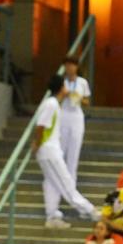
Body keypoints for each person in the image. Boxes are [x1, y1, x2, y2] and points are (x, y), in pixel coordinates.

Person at [33, 75, 99, 230]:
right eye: (65, 85)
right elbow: (41, 126)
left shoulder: (54, 104)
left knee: (51, 183)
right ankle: (91, 211)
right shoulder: (51, 104)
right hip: (49, 150)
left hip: (48, 150)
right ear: (62, 88)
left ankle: (52, 216)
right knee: (66, 183)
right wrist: (37, 144)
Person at [59, 56, 91, 186]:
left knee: (74, 152)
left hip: (76, 117)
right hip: (63, 115)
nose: (69, 68)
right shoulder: (61, 81)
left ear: (77, 67)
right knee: (61, 150)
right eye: (67, 65)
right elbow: (57, 98)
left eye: (72, 65)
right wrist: (64, 94)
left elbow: (87, 101)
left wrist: (76, 97)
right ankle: (59, 182)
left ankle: (71, 185)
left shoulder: (82, 82)